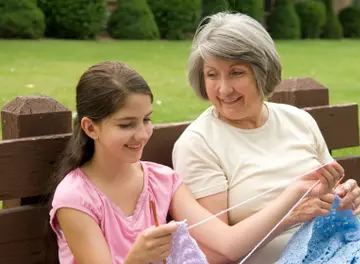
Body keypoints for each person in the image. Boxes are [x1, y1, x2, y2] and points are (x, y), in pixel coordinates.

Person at [48, 61, 342, 264]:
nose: (142, 134)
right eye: (126, 125)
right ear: (90, 127)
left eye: (147, 120)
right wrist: (136, 259)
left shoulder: (161, 180)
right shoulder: (77, 198)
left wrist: (293, 198)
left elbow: (227, 243)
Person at [172, 12, 360, 264]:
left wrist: (346, 197)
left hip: (337, 252)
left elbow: (329, 192)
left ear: (262, 72)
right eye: (212, 75)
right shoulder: (199, 144)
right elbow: (214, 255)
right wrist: (289, 216)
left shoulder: (298, 120)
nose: (224, 89)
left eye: (236, 73)